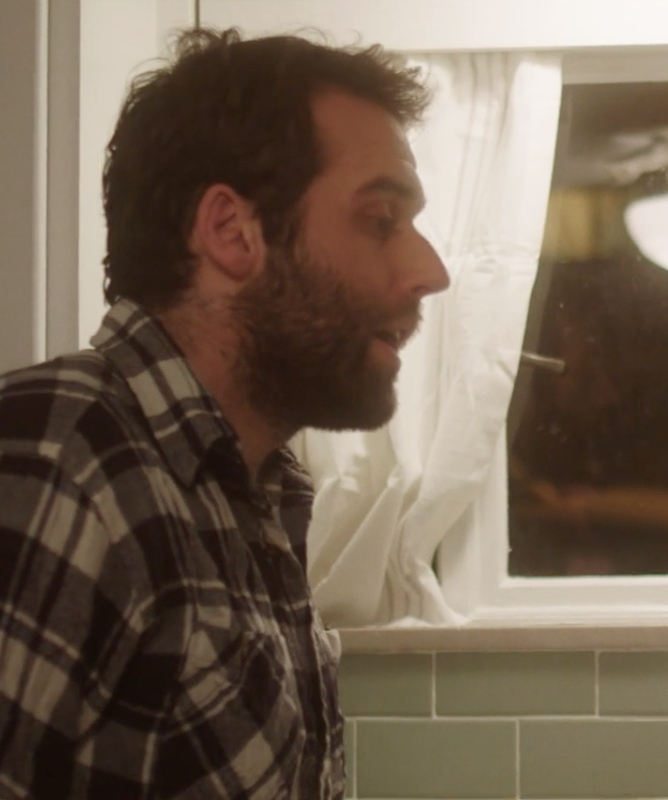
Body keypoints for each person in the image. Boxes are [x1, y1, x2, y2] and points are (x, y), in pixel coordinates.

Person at [0, 28, 449, 799]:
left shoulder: (253, 492)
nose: (429, 270)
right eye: (380, 219)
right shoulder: (60, 463)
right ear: (231, 232)